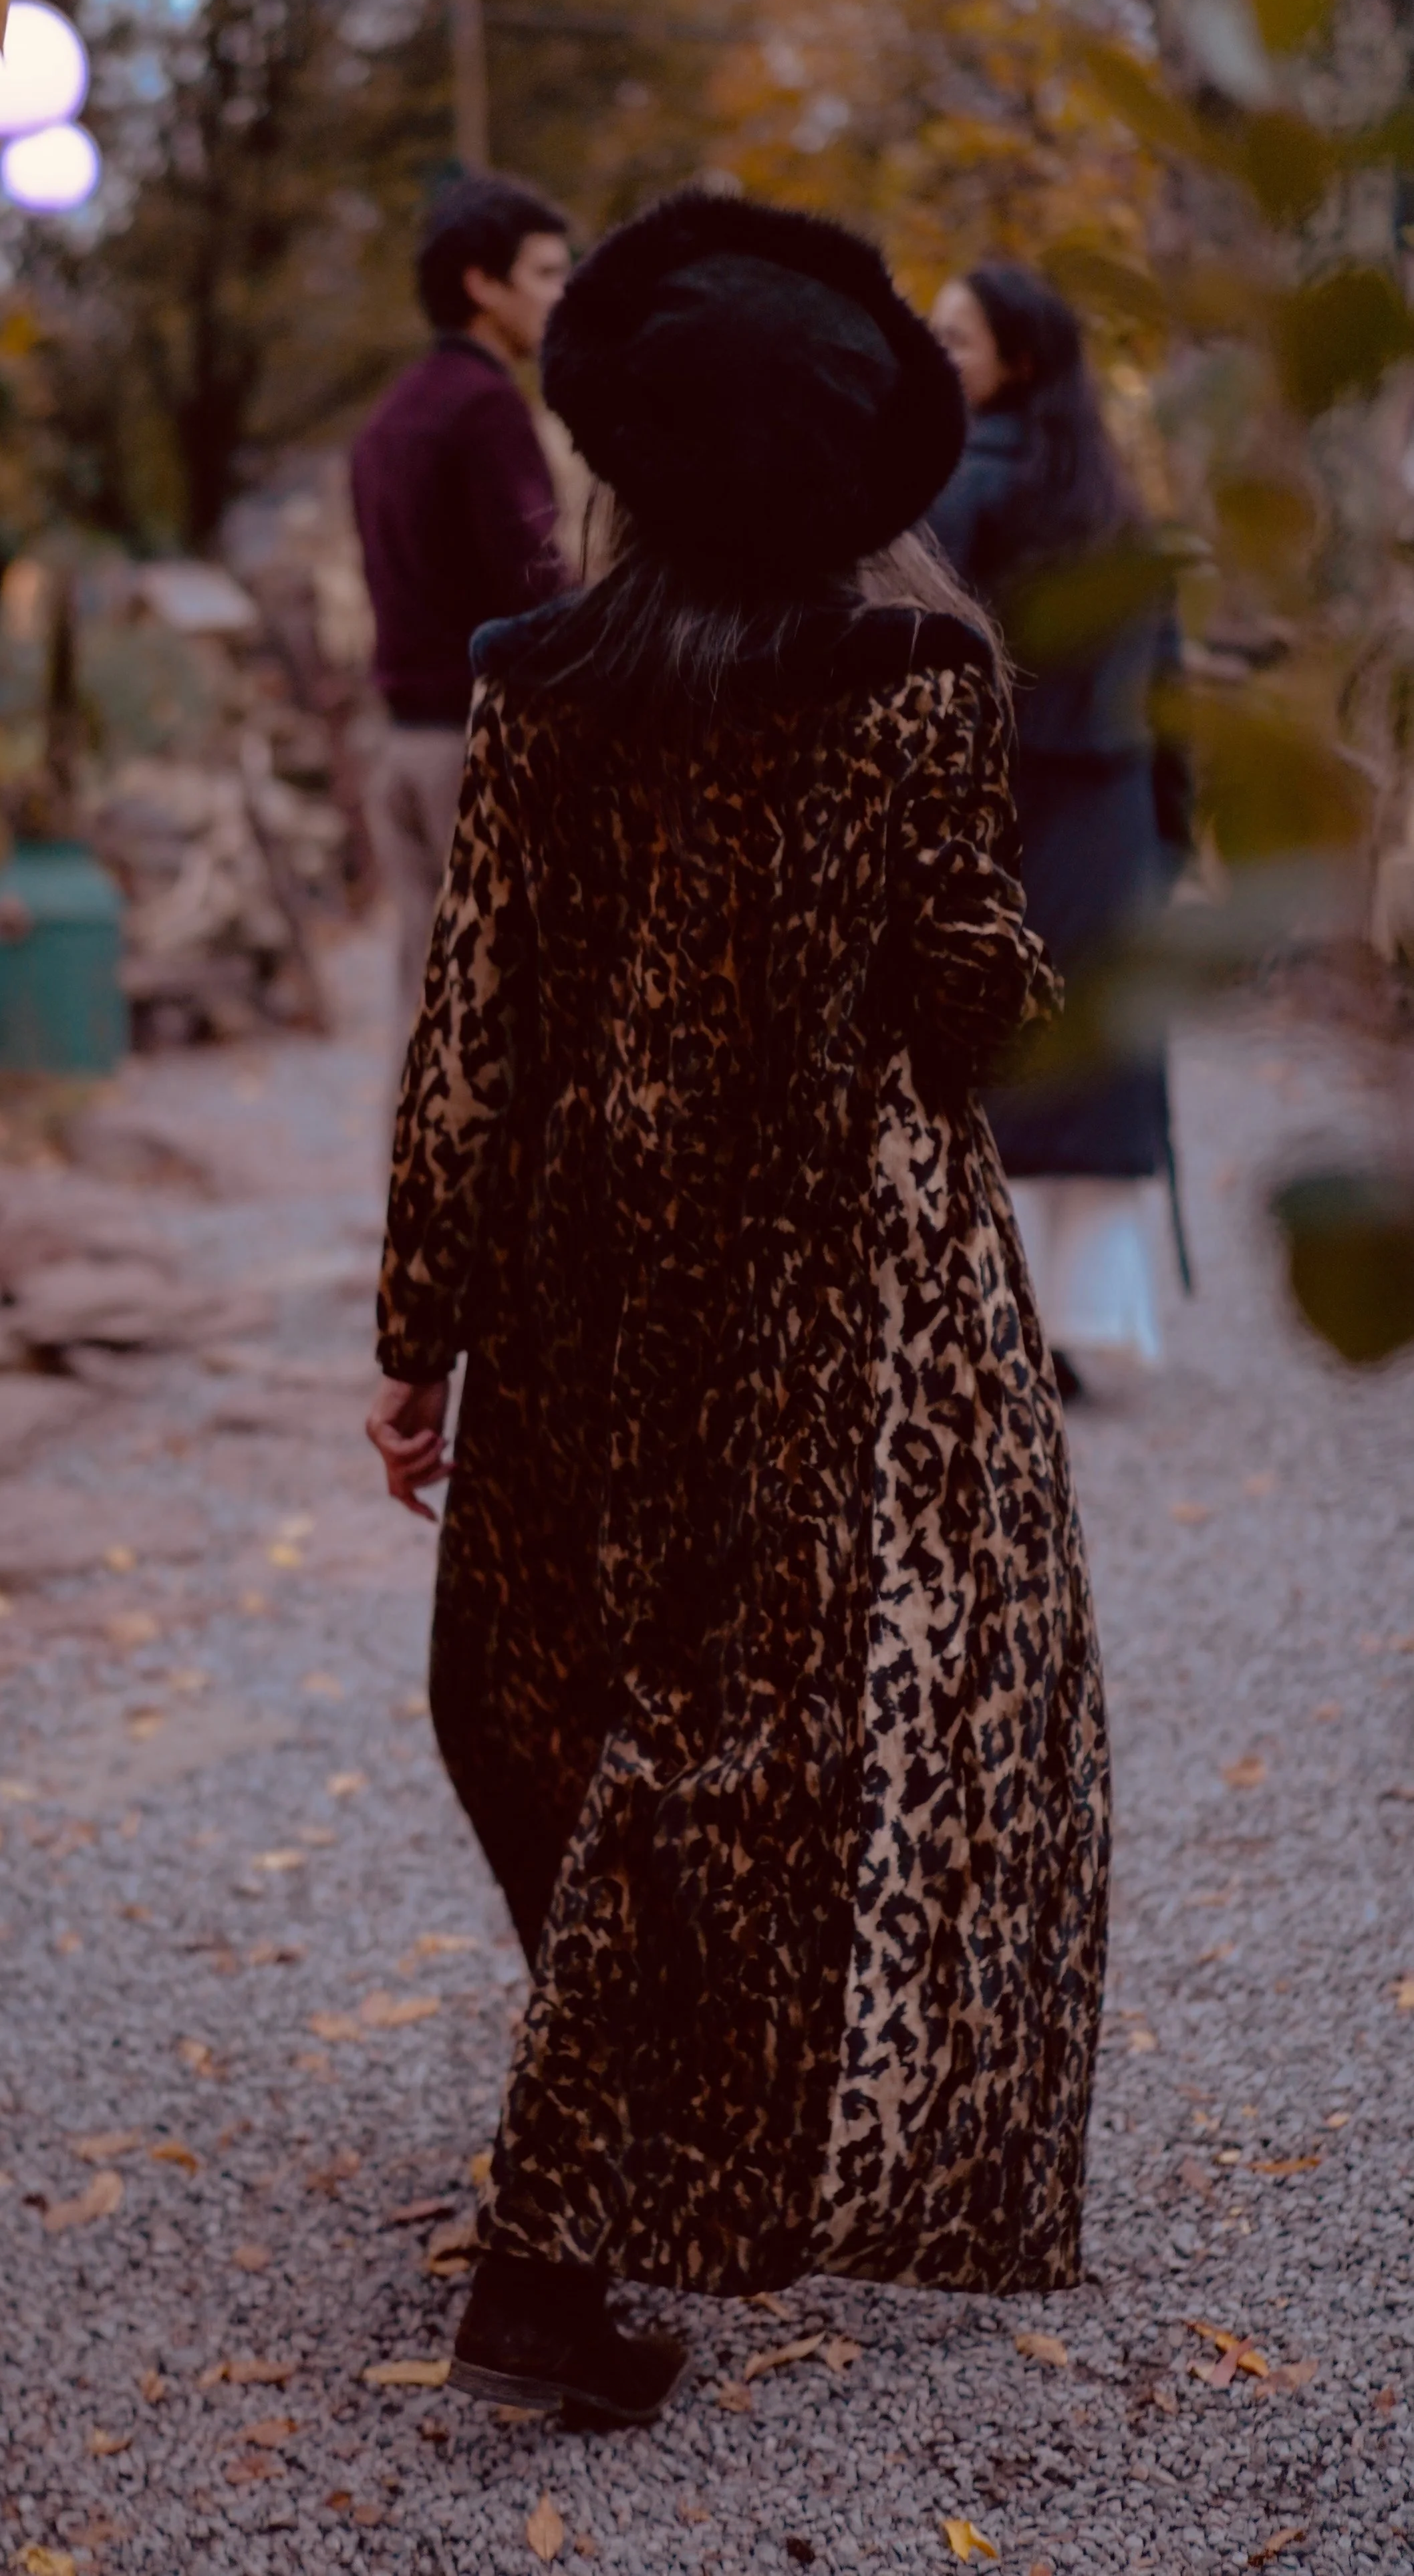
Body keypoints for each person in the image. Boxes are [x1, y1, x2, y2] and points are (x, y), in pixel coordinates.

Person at [365, 190, 1111, 2428]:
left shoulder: (542, 682)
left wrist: (423, 1325)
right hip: (814, 1289)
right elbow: (964, 1016)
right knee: (717, 1733)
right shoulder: (921, 686)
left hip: (597, 1270)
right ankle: (551, 2254)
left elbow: (475, 1033)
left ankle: (613, 2145)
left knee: (576, 1701)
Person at [928, 265, 1193, 1397]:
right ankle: (1077, 1326)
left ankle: (991, 1324)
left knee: (987, 1058)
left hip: (1005, 817)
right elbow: (1171, 691)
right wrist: (1170, 833)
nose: (935, 357)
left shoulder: (952, 494)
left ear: (1018, 361)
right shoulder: (1118, 504)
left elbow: (924, 675)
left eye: (955, 340)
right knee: (1087, 1065)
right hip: (1116, 818)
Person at [351, 174, 572, 1088]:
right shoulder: (485, 411)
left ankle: (418, 1223)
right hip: (480, 756)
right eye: (548, 273)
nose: (562, 296)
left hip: (402, 750)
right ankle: (499, 1232)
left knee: (430, 1016)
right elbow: (539, 593)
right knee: (510, 1025)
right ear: (484, 285)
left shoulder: (388, 418)